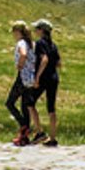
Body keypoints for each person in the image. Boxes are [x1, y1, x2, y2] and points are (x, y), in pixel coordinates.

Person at [6, 21, 43, 146]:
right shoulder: (32, 43)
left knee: (10, 103)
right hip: (31, 78)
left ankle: (24, 126)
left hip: (22, 77)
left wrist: (20, 64)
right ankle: (24, 137)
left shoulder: (21, 43)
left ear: (17, 32)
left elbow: (23, 54)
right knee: (25, 105)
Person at [31, 19, 62, 147]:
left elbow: (44, 60)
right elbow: (59, 63)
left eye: (37, 29)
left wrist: (37, 77)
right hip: (54, 77)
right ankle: (53, 138)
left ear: (41, 30)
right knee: (51, 108)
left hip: (44, 77)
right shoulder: (53, 45)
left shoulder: (40, 43)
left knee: (29, 102)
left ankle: (40, 132)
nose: (35, 31)